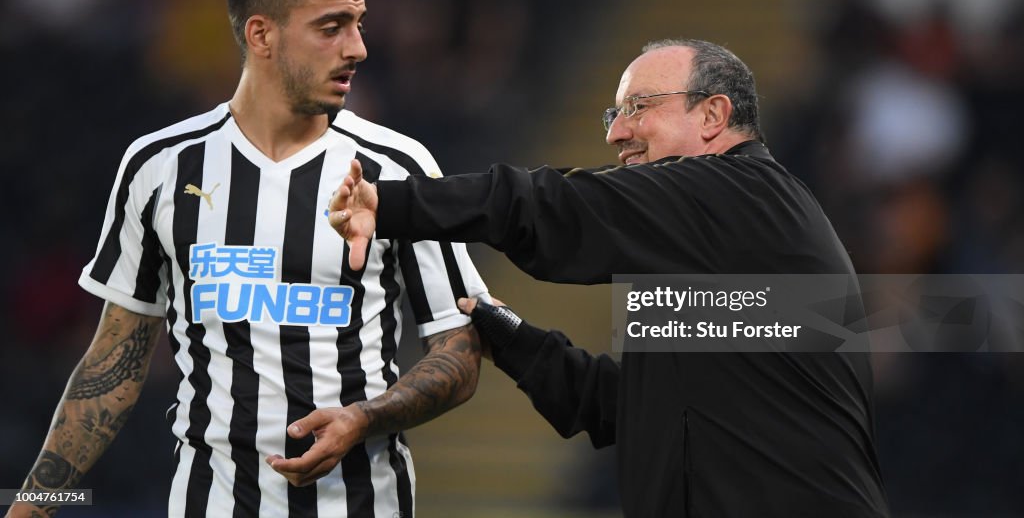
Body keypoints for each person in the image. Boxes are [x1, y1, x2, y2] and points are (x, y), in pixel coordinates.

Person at [9, 0, 488, 518]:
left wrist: (365, 417)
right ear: (261, 34)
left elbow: (460, 351)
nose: (358, 47)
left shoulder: (399, 168)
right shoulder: (160, 167)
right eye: (332, 26)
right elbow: (112, 369)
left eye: (359, 25)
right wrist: (30, 507)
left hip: (364, 504)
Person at [328, 39, 890, 517]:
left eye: (639, 107)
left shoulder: (740, 195)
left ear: (714, 116)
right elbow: (631, 409)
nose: (616, 133)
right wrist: (512, 339)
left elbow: (555, 205)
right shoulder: (718, 246)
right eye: (613, 114)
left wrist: (388, 203)